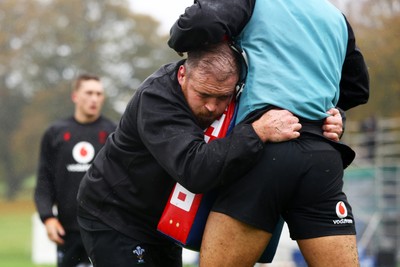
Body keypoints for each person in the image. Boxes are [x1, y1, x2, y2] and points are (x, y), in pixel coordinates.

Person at [76, 42, 342, 267]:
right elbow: (195, 169)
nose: (212, 107)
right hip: (115, 215)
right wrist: (257, 132)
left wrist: (331, 118)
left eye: (222, 97)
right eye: (203, 95)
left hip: (161, 223)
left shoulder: (237, 90)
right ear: (183, 75)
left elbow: (292, 102)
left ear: (237, 86)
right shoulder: (156, 99)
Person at [168, 0, 370, 266]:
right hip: (321, 158)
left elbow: (199, 23)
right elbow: (358, 87)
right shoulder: (336, 16)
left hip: (263, 151)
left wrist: (179, 37)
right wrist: (330, 110)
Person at [34, 74, 116, 267]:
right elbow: (44, 181)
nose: (94, 98)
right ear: (75, 96)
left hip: (106, 230)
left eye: (99, 94)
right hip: (68, 232)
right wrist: (47, 218)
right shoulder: (55, 133)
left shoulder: (115, 132)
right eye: (89, 93)